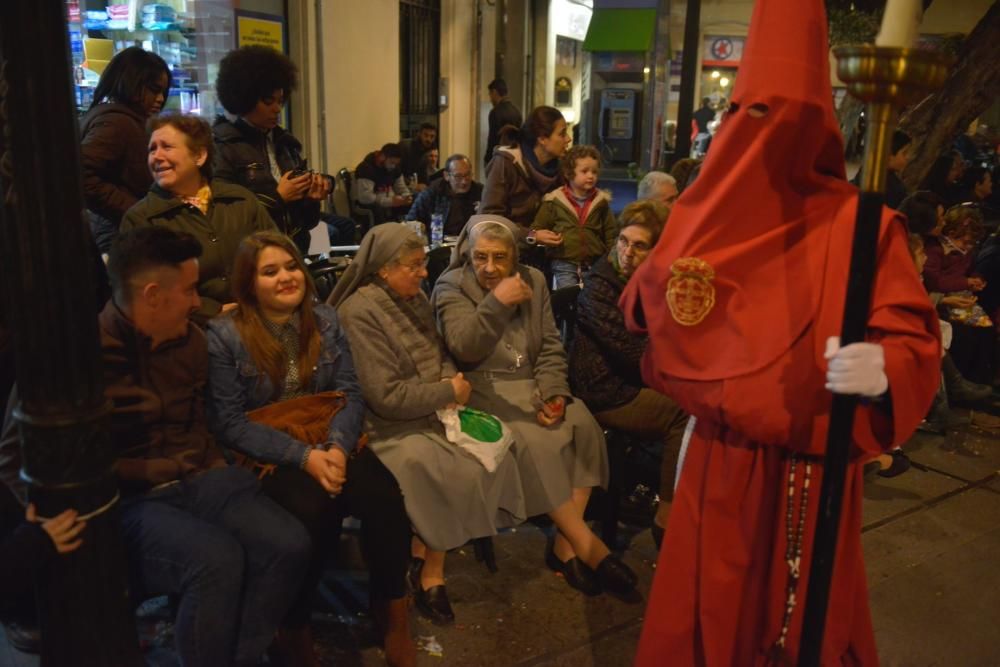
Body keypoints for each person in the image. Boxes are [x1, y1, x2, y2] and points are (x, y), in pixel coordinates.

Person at [620, 0, 940, 663]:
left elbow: (911, 337)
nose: (761, 135)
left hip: (810, 468)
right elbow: (647, 303)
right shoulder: (704, 215)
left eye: (781, 117)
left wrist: (884, 369)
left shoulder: (864, 226)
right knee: (705, 613)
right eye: (749, 114)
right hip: (721, 458)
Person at [205, 231, 415, 666]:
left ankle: (392, 611)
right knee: (312, 509)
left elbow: (349, 392)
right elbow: (228, 423)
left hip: (327, 432)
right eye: (270, 271)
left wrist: (337, 449)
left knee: (385, 499)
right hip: (268, 449)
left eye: (291, 266)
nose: (286, 277)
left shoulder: (324, 319)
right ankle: (293, 623)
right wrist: (305, 458)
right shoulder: (224, 335)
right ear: (248, 283)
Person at [103, 227, 310, 665]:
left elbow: (216, 419)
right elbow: (22, 462)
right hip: (128, 500)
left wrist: (214, 465)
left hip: (199, 479)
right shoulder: (83, 356)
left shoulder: (192, 340)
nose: (199, 301)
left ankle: (236, 657)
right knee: (215, 559)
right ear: (154, 295)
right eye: (191, 289)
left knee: (288, 543)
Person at [432, 216, 639, 601]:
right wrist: (496, 303)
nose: (489, 268)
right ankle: (590, 547)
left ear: (515, 256)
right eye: (480, 257)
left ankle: (565, 546)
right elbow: (464, 347)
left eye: (499, 258)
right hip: (483, 389)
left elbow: (547, 346)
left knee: (583, 426)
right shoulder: (452, 285)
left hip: (533, 383)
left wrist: (555, 392)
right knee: (534, 439)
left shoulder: (536, 280)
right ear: (467, 254)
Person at [327, 224, 525, 625]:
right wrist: (446, 391)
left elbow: (442, 353)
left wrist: (450, 386)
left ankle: (423, 556)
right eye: (414, 265)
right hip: (385, 426)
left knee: (492, 450)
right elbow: (385, 397)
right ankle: (430, 570)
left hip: (433, 407)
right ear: (383, 269)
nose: (423, 274)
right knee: (449, 468)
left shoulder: (413, 296)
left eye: (422, 264)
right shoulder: (357, 312)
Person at [568, 200, 687, 548]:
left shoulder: (656, 280)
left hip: (637, 380)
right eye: (622, 241)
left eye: (639, 246)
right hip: (605, 390)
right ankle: (667, 517)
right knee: (686, 412)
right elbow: (636, 353)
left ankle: (693, 501)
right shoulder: (601, 286)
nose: (626, 252)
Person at [121, 112, 277, 324]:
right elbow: (143, 292)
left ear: (199, 156)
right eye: (152, 149)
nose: (156, 156)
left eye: (166, 147)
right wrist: (212, 311)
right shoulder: (141, 219)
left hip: (258, 321)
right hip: (190, 335)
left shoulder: (240, 200)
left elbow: (276, 256)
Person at [212, 45, 332, 255]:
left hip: (292, 252)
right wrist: (278, 198)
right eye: (268, 101)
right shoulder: (222, 146)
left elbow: (307, 222)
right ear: (245, 98)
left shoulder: (285, 144)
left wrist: (311, 198)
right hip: (251, 258)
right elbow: (224, 219)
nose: (276, 108)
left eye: (280, 101)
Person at [80, 47, 171, 253]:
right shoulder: (116, 122)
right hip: (118, 231)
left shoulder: (120, 118)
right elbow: (82, 174)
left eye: (163, 92)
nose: (160, 99)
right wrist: (135, 209)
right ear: (131, 83)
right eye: (153, 89)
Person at [530, 145, 617, 288]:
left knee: (591, 296)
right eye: (584, 171)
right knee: (568, 295)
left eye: (594, 172)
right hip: (564, 261)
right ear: (569, 173)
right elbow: (538, 227)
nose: (591, 176)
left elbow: (610, 232)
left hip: (594, 262)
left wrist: (610, 257)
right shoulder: (554, 201)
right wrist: (543, 238)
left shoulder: (601, 201)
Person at [480, 105, 571, 239]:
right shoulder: (506, 163)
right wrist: (530, 236)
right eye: (562, 134)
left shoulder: (561, 170)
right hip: (508, 249)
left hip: (548, 252)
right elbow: (489, 220)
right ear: (542, 139)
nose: (568, 139)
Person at [405, 154, 484, 236]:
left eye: (467, 175)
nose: (464, 181)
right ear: (446, 176)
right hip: (439, 243)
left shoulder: (480, 192)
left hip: (469, 243)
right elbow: (410, 221)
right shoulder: (432, 192)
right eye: (458, 176)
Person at [354, 143, 413, 225]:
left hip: (388, 199)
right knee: (377, 209)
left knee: (415, 200)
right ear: (382, 157)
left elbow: (401, 187)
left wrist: (406, 196)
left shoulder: (395, 168)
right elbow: (365, 197)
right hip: (367, 204)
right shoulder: (366, 168)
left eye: (396, 164)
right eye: (392, 163)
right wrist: (390, 202)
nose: (393, 166)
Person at [485, 78, 523, 168]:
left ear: (494, 92)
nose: (490, 99)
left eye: (490, 94)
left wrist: (487, 158)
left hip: (498, 158)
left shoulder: (495, 112)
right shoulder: (516, 111)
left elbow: (493, 138)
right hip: (514, 157)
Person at [399, 123, 438, 189]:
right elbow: (396, 172)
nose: (428, 139)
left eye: (432, 136)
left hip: (413, 189)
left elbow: (423, 175)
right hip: (399, 188)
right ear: (419, 134)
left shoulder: (427, 151)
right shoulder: (405, 146)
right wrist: (413, 184)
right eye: (426, 135)